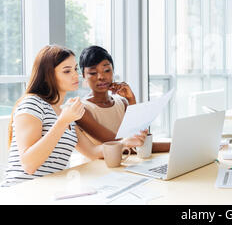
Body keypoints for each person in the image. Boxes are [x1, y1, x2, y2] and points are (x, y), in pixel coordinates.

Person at [2, 45, 147, 187]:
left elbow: (92, 152)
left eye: (75, 69)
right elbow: (29, 165)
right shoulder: (32, 103)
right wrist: (63, 121)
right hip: (20, 190)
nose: (75, 75)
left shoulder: (66, 111)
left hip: (48, 192)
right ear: (48, 76)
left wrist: (124, 142)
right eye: (66, 71)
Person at [76, 45, 170, 152]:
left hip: (126, 164)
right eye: (93, 73)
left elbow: (141, 140)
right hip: (99, 167)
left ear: (113, 71)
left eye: (107, 70)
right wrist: (174, 146)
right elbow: (120, 144)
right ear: (83, 75)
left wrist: (131, 100)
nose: (101, 77)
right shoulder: (82, 110)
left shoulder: (122, 103)